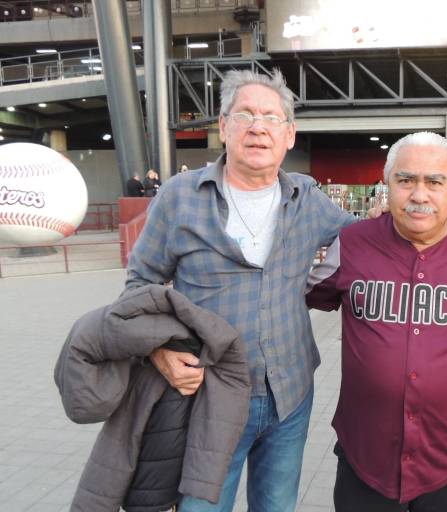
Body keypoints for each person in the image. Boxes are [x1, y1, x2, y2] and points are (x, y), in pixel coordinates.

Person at [125, 69, 357, 512]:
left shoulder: (306, 199)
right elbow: (139, 286)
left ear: (289, 136)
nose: (258, 127)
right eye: (245, 114)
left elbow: (370, 238)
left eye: (271, 118)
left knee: (276, 505)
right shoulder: (179, 198)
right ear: (223, 126)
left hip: (289, 396)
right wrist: (158, 354)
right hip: (208, 397)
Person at [306, 132, 447, 512]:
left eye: (435, 182)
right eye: (406, 180)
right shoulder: (354, 241)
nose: (419, 194)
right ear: (387, 185)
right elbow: (298, 293)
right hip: (366, 458)